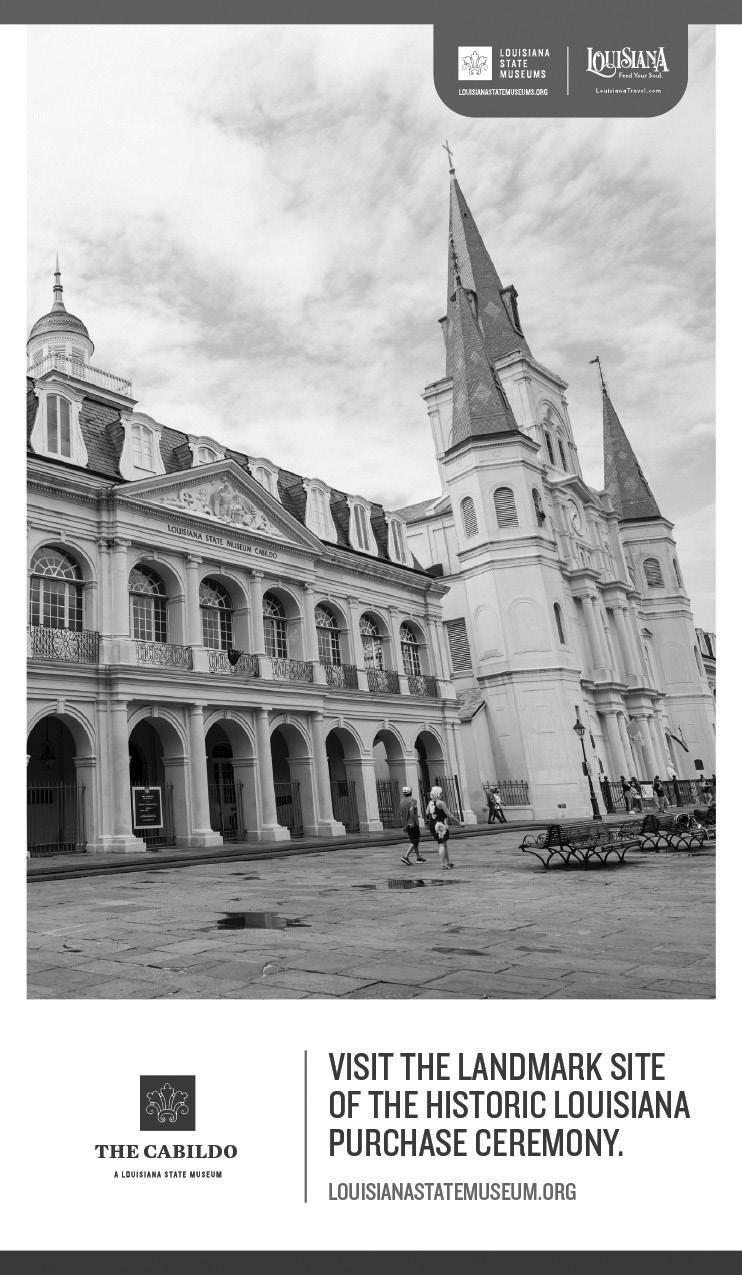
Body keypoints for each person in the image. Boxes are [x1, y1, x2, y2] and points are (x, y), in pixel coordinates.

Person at [425, 785, 460, 870]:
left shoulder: (430, 803)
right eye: (441, 793)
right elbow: (449, 815)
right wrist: (458, 822)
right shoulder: (441, 803)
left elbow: (427, 813)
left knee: (444, 844)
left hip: (433, 825)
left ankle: (448, 862)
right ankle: (443, 864)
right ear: (438, 794)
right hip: (441, 825)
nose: (442, 794)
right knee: (442, 844)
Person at [399, 786, 425, 865]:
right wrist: (414, 822)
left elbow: (401, 814)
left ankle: (418, 857)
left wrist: (403, 825)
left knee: (413, 840)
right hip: (412, 824)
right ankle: (405, 856)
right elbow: (411, 810)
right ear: (411, 792)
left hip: (406, 824)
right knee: (415, 840)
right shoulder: (413, 800)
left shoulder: (401, 801)